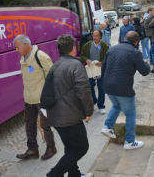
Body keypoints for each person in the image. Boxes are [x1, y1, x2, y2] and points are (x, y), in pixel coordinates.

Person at [46, 35, 94, 177]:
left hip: (55, 115)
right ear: (73, 48)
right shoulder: (75, 65)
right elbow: (84, 91)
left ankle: (75, 175)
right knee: (81, 147)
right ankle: (53, 174)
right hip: (69, 117)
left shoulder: (55, 65)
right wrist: (89, 111)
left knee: (70, 147)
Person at [100, 31, 150, 150]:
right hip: (123, 88)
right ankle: (130, 141)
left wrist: (104, 82)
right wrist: (145, 63)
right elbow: (145, 71)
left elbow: (103, 67)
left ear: (124, 38)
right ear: (136, 42)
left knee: (117, 106)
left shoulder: (112, 49)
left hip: (108, 86)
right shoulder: (135, 52)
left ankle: (107, 127)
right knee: (130, 114)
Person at [13, 35, 57, 161]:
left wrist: (49, 96)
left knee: (45, 124)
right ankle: (32, 149)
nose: (16, 50)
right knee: (29, 124)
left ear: (25, 45)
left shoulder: (40, 56)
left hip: (41, 98)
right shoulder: (24, 58)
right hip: (29, 98)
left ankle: (51, 147)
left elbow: (52, 76)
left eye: (17, 47)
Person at [80, 29, 109, 115]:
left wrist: (102, 62)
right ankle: (94, 100)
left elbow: (108, 57)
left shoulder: (104, 45)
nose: (95, 37)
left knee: (101, 87)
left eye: (96, 36)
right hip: (91, 70)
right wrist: (87, 60)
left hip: (100, 70)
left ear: (100, 36)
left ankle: (101, 106)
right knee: (90, 86)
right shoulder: (87, 45)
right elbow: (82, 55)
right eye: (93, 36)